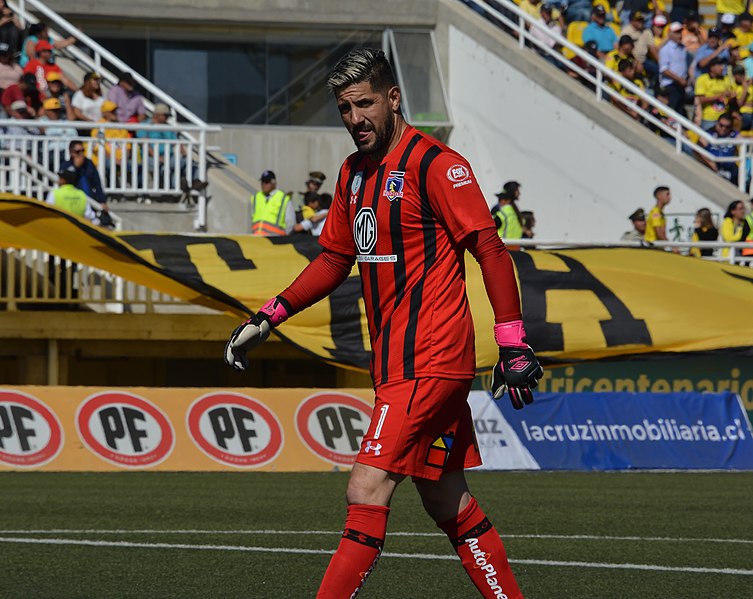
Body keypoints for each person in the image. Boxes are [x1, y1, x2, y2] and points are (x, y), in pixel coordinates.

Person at [224, 47, 542, 599]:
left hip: (432, 358)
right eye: (345, 109)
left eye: (365, 104)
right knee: (446, 499)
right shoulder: (353, 173)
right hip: (396, 363)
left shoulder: (438, 164)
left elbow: (490, 249)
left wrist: (512, 341)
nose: (355, 119)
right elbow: (331, 260)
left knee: (366, 487)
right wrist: (270, 315)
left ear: (393, 98)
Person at [61, 140, 108, 211]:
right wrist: (76, 167)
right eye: (78, 152)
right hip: (71, 200)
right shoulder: (66, 165)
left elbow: (97, 184)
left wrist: (102, 201)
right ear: (71, 153)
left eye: (83, 151)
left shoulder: (89, 164)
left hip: (88, 202)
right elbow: (63, 183)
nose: (81, 154)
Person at [250, 170, 295, 236]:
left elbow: (290, 224)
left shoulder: (283, 199)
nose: (264, 185)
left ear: (274, 183)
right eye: (262, 182)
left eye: (267, 182)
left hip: (275, 241)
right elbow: (251, 219)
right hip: (257, 240)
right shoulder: (256, 197)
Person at [694, 56, 735, 128]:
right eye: (719, 65)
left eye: (722, 65)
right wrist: (720, 95)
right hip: (709, 118)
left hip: (724, 118)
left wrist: (732, 97)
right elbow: (700, 99)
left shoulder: (726, 79)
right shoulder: (702, 79)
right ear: (711, 67)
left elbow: (730, 97)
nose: (722, 68)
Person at [698, 112, 739, 183]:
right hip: (713, 167)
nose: (723, 129)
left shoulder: (733, 134)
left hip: (730, 169)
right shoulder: (709, 134)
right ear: (717, 123)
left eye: (727, 127)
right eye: (721, 125)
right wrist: (711, 165)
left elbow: (746, 141)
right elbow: (698, 150)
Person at [659, 22, 690, 113]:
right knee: (672, 111)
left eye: (680, 32)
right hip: (670, 85)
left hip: (680, 85)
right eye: (677, 32)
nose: (679, 35)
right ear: (670, 34)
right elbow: (664, 69)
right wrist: (679, 79)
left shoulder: (683, 48)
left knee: (679, 110)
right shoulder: (666, 49)